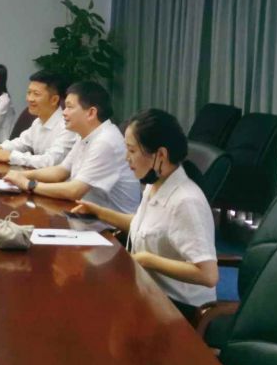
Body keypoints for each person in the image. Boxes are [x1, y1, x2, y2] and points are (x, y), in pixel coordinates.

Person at [72, 109, 219, 318]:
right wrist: (99, 212)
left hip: (178, 308)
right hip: (149, 291)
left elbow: (208, 275)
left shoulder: (186, 201)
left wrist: (148, 260)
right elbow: (145, 226)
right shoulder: (156, 183)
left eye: (132, 151)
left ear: (161, 155)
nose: (126, 158)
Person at [4, 81, 140, 216]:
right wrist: (21, 175)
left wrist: (29, 184)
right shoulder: (86, 135)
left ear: (91, 113)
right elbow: (60, 171)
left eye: (69, 107)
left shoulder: (105, 141)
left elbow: (74, 191)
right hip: (86, 215)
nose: (64, 112)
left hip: (110, 226)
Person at [0, 70, 77, 168]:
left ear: (54, 100)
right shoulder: (38, 122)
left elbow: (50, 161)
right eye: (29, 93)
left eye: (36, 94)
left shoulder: (67, 127)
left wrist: (12, 156)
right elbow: (22, 142)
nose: (29, 99)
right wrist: (0, 147)